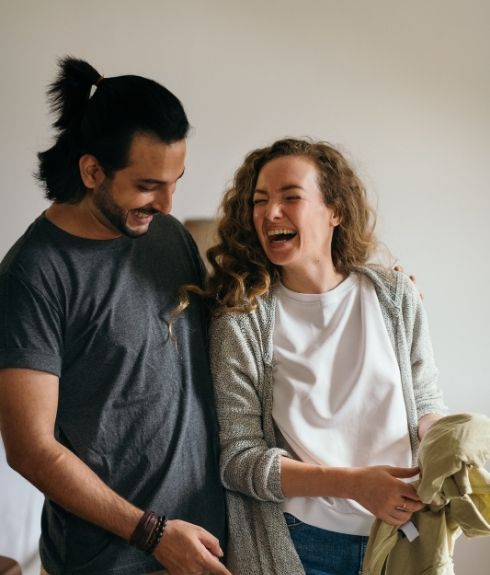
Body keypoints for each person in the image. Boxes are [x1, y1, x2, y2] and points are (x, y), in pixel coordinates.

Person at [0, 57, 230, 575]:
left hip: (204, 549)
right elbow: (29, 449)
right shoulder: (32, 275)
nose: (168, 203)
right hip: (107, 561)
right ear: (91, 171)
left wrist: (367, 292)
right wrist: (154, 535)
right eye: (149, 185)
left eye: (176, 181)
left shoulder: (167, 236)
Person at [197, 138, 447, 574]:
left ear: (336, 211)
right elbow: (238, 460)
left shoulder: (395, 296)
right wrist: (354, 484)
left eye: (290, 197)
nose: (270, 213)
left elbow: (424, 404)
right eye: (260, 201)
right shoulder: (241, 321)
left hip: (407, 536)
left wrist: (454, 440)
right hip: (305, 545)